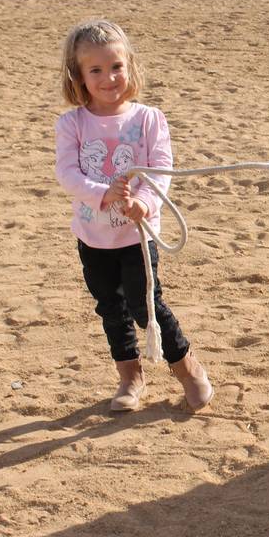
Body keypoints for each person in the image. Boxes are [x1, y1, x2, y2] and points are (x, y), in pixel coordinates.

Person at [54, 20, 213, 412]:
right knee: (110, 306)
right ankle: (130, 377)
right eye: (96, 70)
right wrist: (102, 194)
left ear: (129, 66)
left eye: (116, 67)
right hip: (93, 236)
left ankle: (187, 368)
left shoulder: (148, 119)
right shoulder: (71, 123)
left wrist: (145, 202)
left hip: (136, 236)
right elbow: (67, 173)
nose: (109, 78)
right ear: (79, 76)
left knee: (147, 305)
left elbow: (160, 166)